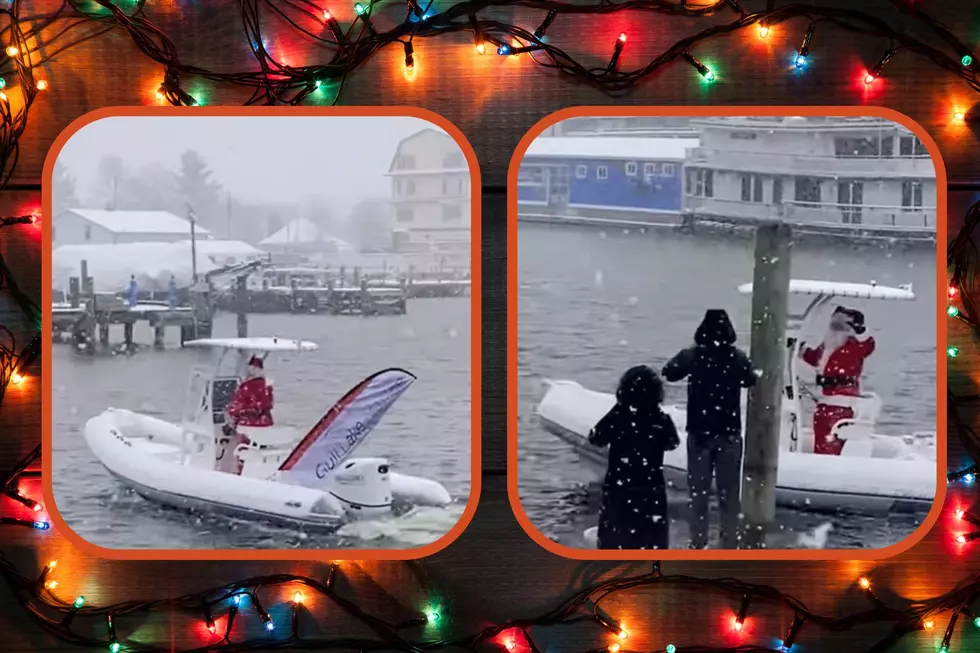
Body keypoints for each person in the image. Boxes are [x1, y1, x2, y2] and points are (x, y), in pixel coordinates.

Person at [662, 309, 756, 549]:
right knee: (729, 495)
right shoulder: (736, 357)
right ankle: (729, 543)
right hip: (729, 434)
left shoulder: (692, 355)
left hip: (700, 434)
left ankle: (698, 543)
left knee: (699, 495)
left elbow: (669, 373)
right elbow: (750, 379)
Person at [588, 365, 679, 550]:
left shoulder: (618, 417)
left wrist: (619, 407)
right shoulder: (661, 420)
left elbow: (595, 437)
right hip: (651, 492)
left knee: (614, 545)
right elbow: (672, 443)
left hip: (619, 491)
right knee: (652, 545)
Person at [799, 306, 875, 456]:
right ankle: (821, 459)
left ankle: (828, 465)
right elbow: (816, 358)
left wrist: (861, 332)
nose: (835, 329)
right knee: (822, 437)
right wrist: (799, 348)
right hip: (825, 400)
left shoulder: (854, 346)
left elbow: (867, 346)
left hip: (841, 402)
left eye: (840, 325)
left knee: (830, 439)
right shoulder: (830, 345)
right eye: (834, 324)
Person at [222, 356, 275, 475]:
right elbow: (267, 404)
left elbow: (236, 407)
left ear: (251, 369)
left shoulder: (246, 387)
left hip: (249, 425)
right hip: (266, 424)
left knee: (240, 441)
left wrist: (229, 412)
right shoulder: (268, 386)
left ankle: (239, 470)